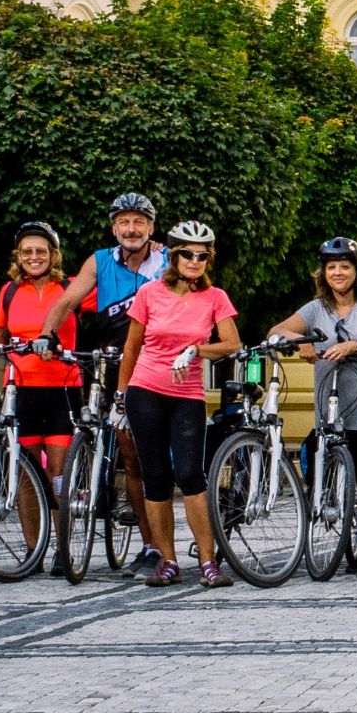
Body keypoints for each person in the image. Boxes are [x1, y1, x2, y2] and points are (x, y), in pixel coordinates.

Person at [38, 192, 170, 578]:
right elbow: (67, 301)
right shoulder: (99, 262)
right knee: (131, 461)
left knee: (150, 460)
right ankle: (149, 547)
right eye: (124, 222)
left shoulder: (165, 261)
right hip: (115, 365)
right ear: (114, 228)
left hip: (157, 366)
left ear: (151, 227)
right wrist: (47, 333)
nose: (132, 229)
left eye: (139, 221)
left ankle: (166, 546)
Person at [117, 221, 242, 587]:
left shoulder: (215, 296)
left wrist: (197, 349)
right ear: (173, 256)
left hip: (187, 394)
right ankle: (167, 560)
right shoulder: (149, 293)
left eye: (202, 255)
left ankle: (207, 561)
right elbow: (132, 346)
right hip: (146, 389)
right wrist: (121, 395)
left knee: (190, 474)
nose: (195, 260)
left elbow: (232, 344)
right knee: (155, 476)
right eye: (187, 253)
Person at [269, 237, 357, 577]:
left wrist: (355, 346)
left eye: (345, 266)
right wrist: (297, 343)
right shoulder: (315, 309)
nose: (338, 272)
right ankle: (348, 540)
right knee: (333, 472)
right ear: (323, 272)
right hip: (331, 409)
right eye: (332, 267)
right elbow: (277, 331)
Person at [0, 221, 77, 576]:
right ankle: (34, 550)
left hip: (63, 388)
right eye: (27, 252)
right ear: (18, 257)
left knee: (59, 474)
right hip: (20, 389)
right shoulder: (9, 291)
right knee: (25, 474)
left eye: (41, 251)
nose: (34, 257)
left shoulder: (69, 288)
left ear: (53, 255)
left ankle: (63, 548)